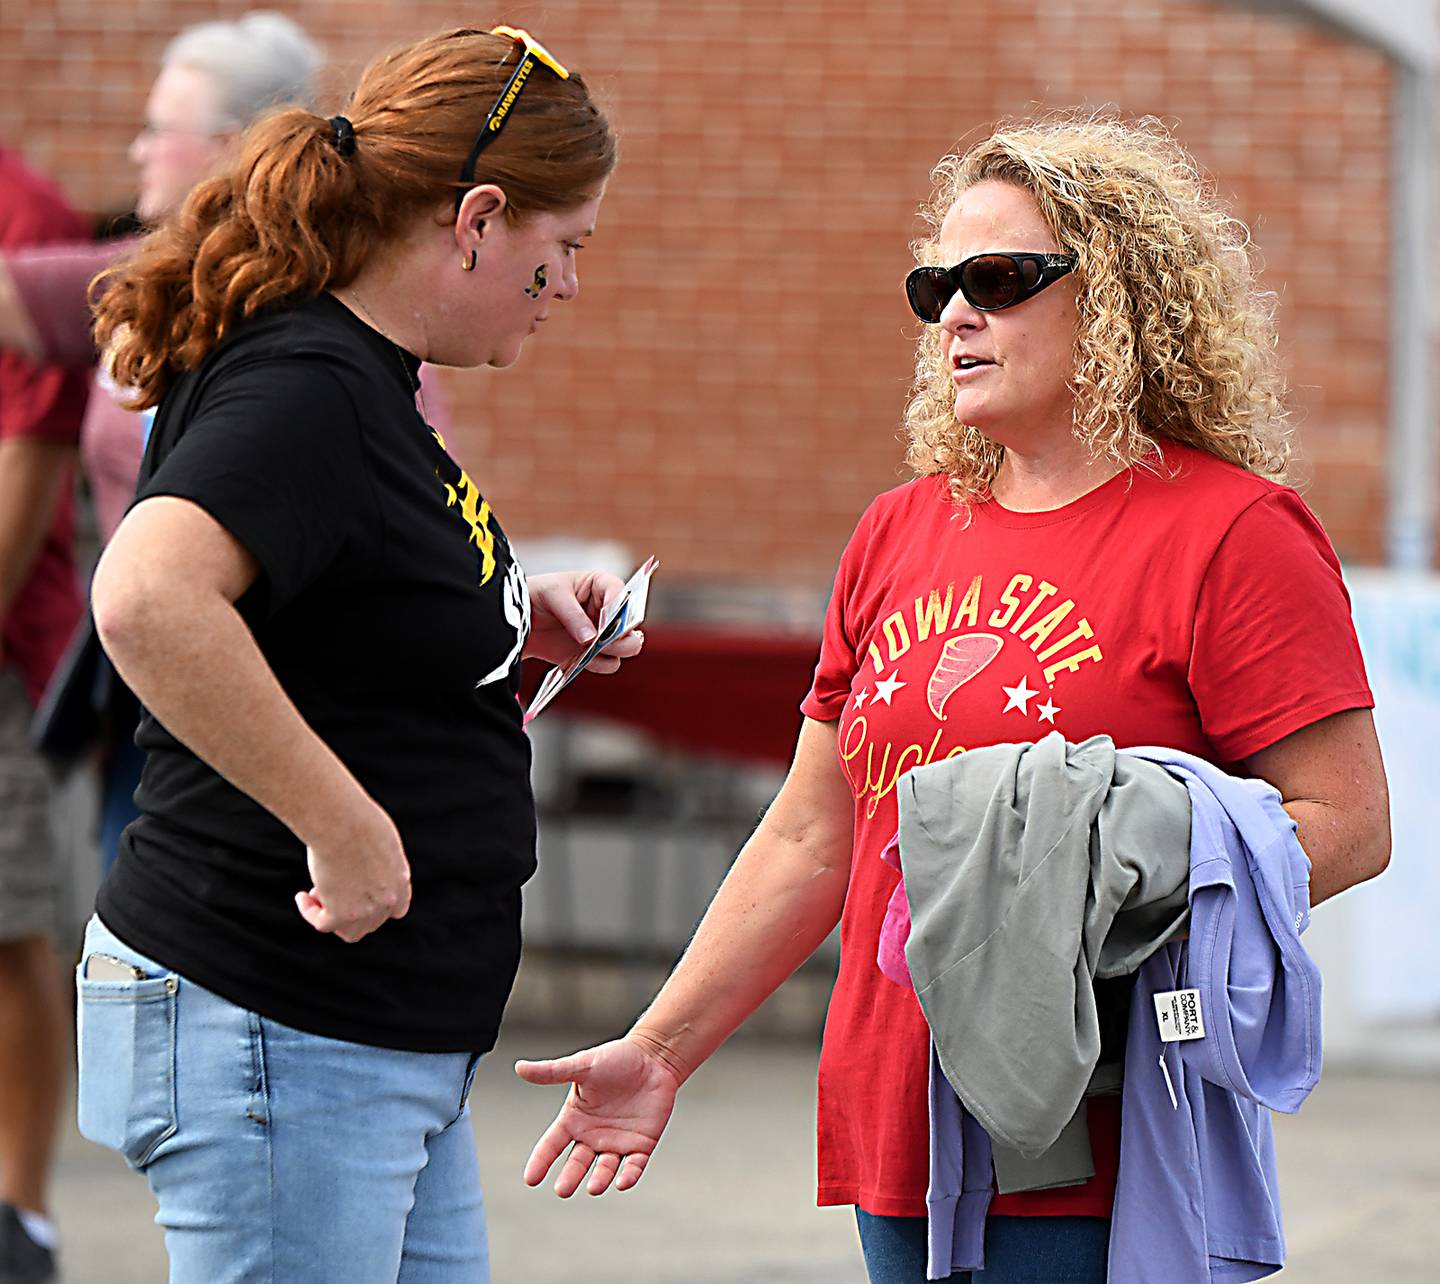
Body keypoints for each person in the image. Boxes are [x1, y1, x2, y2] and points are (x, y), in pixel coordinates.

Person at [514, 115, 1392, 1283]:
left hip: (1098, 1128)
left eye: (1001, 280)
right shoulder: (901, 528)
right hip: (894, 1116)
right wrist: (663, 1049)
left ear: (1121, 297)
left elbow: (1347, 824)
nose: (957, 316)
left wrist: (1115, 863)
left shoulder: (1234, 533)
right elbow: (814, 832)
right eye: (938, 288)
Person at [78, 25, 626, 1283]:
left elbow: (327, 593)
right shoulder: (314, 383)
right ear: (481, 217)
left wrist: (502, 611)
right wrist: (343, 823)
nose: (572, 288)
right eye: (566, 250)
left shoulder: (361, 377)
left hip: (357, 1040)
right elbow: (150, 598)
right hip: (281, 1021)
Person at [0, 11, 324, 871]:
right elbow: (18, 295)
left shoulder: (331, 312)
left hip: (269, 695)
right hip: (147, 694)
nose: (138, 150)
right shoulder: (151, 278)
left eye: (157, 129)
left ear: (229, 147)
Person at [0, 148, 90, 1284]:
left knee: (6, 920)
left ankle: (19, 1214)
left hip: (4, 654)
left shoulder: (26, 219)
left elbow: (33, 457)